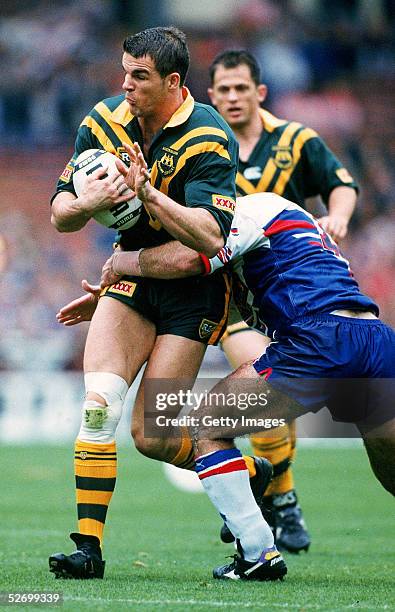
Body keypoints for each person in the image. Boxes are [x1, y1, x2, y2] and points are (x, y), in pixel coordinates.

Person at [59, 148, 394, 582]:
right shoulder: (275, 231)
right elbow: (207, 288)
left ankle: (258, 554)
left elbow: (189, 258)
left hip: (318, 341)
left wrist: (119, 264)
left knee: (205, 428)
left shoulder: (245, 211)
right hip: (374, 338)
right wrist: (115, 297)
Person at [48, 26, 240, 580]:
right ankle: (88, 548)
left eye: (139, 76)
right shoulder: (103, 121)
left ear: (173, 81)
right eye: (124, 72)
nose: (125, 85)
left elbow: (206, 242)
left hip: (193, 288)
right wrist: (87, 201)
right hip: (131, 282)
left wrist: (149, 195)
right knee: (98, 404)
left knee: (151, 435)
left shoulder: (209, 137)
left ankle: (245, 470)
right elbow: (59, 214)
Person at [206, 49, 359, 552]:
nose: (232, 97)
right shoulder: (205, 144)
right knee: (257, 383)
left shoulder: (295, 141)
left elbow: (341, 185)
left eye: (240, 88)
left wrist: (337, 217)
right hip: (237, 297)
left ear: (259, 92)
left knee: (271, 400)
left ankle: (268, 488)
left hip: (295, 295)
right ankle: (282, 500)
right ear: (210, 95)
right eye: (223, 89)